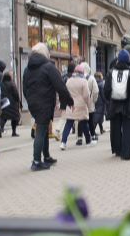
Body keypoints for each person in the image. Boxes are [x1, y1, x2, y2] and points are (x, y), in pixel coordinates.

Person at [23, 43, 74, 171]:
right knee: (41, 129)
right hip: (44, 102)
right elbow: (60, 86)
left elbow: (24, 88)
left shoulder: (27, 69)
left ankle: (46, 156)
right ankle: (36, 160)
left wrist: (29, 101)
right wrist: (70, 101)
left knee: (44, 128)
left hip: (33, 103)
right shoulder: (48, 67)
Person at [103, 49, 130, 160]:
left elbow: (106, 90)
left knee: (115, 128)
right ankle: (127, 153)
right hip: (129, 104)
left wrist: (109, 101)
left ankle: (117, 149)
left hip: (115, 104)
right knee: (129, 128)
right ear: (128, 59)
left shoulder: (111, 72)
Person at [61, 64, 95, 150]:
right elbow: (86, 94)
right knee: (84, 123)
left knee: (68, 124)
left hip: (71, 105)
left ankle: (63, 142)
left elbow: (66, 92)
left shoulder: (69, 81)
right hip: (81, 104)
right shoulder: (83, 81)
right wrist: (88, 103)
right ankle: (88, 141)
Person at [79, 61, 99, 142]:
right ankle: (93, 135)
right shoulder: (91, 78)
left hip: (80, 102)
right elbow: (96, 91)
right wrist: (94, 100)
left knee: (80, 119)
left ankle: (80, 137)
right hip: (89, 102)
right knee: (90, 120)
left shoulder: (78, 78)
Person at [55, 62, 76, 139]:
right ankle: (78, 134)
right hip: (72, 100)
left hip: (63, 99)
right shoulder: (74, 77)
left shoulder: (63, 77)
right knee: (76, 117)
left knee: (63, 117)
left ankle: (57, 130)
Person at [0, 71, 22, 137]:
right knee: (14, 118)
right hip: (12, 103)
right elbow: (16, 94)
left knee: (4, 117)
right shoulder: (12, 84)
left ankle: (0, 128)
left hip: (4, 102)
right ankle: (14, 132)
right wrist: (18, 101)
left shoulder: (1, 84)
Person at [92, 72, 107, 137]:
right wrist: (106, 101)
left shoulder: (93, 82)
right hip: (100, 102)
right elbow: (103, 94)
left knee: (98, 115)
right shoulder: (101, 84)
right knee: (99, 116)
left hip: (95, 101)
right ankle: (93, 131)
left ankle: (101, 129)